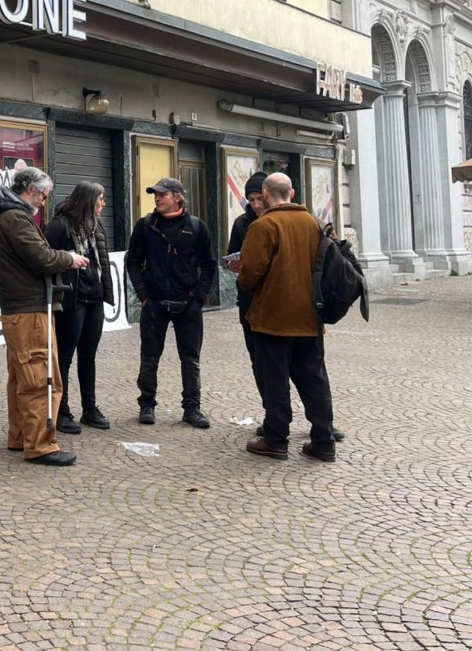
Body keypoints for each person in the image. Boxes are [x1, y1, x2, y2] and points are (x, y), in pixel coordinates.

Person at [0, 167, 88, 467]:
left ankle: (20, 436)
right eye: (43, 195)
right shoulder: (15, 218)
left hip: (20, 308)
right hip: (29, 309)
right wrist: (69, 258)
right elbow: (41, 258)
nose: (44, 201)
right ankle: (41, 444)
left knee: (22, 375)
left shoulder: (9, 216)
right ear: (29, 189)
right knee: (40, 378)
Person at [237, 172, 339, 462]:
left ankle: (276, 439)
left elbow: (251, 273)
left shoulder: (265, 224)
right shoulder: (314, 223)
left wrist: (243, 276)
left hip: (273, 319)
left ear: (267, 195)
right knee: (314, 380)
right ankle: (323, 440)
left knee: (275, 379)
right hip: (310, 317)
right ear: (291, 193)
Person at [126, 176, 217, 429]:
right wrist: (143, 295)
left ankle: (192, 408)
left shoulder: (197, 227)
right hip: (154, 304)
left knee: (190, 359)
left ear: (178, 197)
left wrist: (199, 298)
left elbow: (209, 266)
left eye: (162, 194)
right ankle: (147, 405)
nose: (157, 197)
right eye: (155, 194)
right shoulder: (145, 225)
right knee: (149, 358)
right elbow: (132, 261)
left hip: (187, 304)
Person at [43, 181, 115, 434]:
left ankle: (90, 409)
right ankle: (61, 411)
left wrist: (105, 290)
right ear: (88, 200)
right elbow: (45, 259)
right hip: (71, 300)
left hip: (94, 298)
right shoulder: (59, 225)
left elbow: (101, 259)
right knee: (64, 357)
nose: (104, 204)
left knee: (89, 355)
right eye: (101, 199)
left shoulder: (95, 224)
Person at [225, 171, 269, 417]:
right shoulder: (242, 223)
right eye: (251, 200)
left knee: (300, 364)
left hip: (281, 302)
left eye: (259, 198)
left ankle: (319, 423)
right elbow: (232, 252)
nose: (256, 204)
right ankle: (271, 413)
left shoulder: (284, 220)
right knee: (259, 360)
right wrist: (234, 264)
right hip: (250, 300)